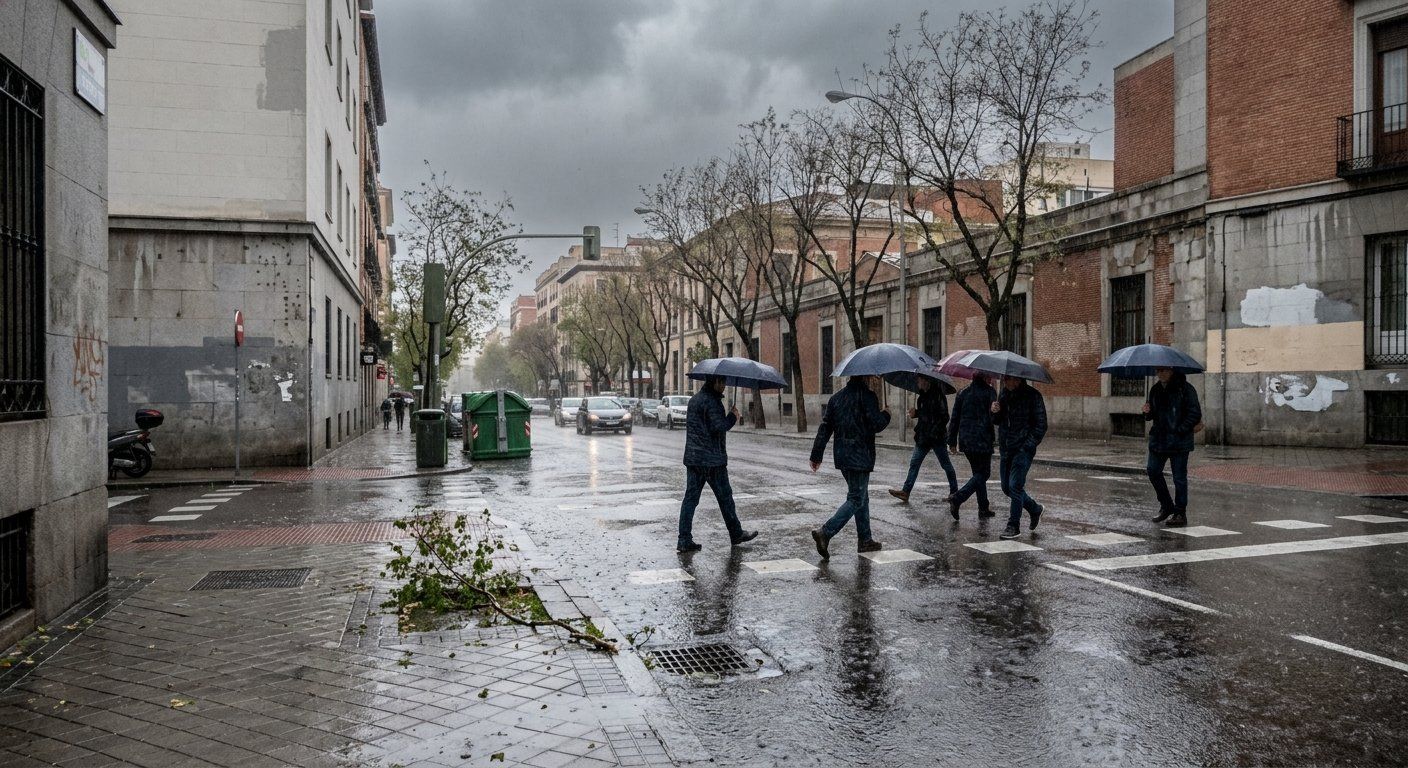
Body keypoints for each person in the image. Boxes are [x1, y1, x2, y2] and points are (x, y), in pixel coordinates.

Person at [809, 376, 891, 558]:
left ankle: (865, 540)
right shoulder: (867, 396)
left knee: (861, 496)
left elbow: (825, 427)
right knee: (856, 498)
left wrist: (816, 455)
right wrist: (886, 414)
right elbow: (877, 424)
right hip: (860, 455)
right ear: (865, 378)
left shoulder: (836, 398)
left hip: (842, 456)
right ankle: (826, 532)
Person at [677, 375, 758, 553]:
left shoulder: (695, 400)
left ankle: (684, 539)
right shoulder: (712, 402)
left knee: (690, 500)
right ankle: (736, 533)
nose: (724, 386)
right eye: (723, 383)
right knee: (725, 498)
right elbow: (718, 427)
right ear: (716, 382)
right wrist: (733, 416)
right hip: (712, 460)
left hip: (693, 458)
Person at [1144, 367, 1202, 527]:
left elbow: (1195, 413)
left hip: (1179, 441)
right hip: (1159, 440)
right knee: (1153, 470)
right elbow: (1153, 414)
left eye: (1164, 370)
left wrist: (1180, 430)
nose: (1160, 374)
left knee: (1179, 478)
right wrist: (1147, 412)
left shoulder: (1186, 389)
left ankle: (1180, 513)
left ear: (1172, 371)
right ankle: (1166, 505)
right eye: (1157, 371)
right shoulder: (1155, 389)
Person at [888, 377, 958, 504]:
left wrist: (933, 428)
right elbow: (925, 414)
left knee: (946, 465)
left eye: (919, 380)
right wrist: (916, 413)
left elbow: (944, 417)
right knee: (914, 463)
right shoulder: (922, 397)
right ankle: (906, 491)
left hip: (937, 438)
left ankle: (954, 493)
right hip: (924, 437)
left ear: (927, 381)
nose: (917, 383)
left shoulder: (938, 396)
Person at [992, 377, 1047, 540]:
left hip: (1022, 449)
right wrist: (995, 412)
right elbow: (998, 421)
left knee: (1015, 485)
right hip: (1006, 448)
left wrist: (1027, 445)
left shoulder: (1033, 396)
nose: (1004, 381)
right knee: (1006, 488)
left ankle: (1013, 526)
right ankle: (1035, 509)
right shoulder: (1003, 394)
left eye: (1007, 378)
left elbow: (1041, 425)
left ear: (1017, 379)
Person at [946, 374, 997, 520]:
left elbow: (954, 418)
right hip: (983, 440)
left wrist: (952, 441)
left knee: (978, 473)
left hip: (966, 440)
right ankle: (958, 498)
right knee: (984, 474)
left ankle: (983, 507)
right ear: (984, 377)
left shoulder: (963, 392)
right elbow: (994, 417)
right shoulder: (990, 392)